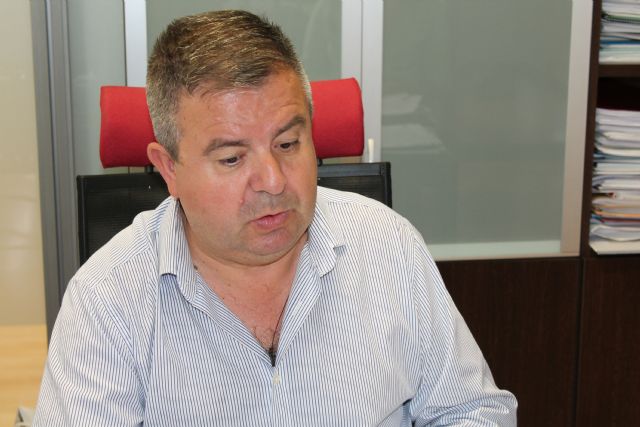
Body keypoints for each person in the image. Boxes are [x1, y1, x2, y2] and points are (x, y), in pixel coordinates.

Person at [34, 10, 517, 426]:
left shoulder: (387, 246)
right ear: (169, 170)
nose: (272, 180)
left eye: (287, 144)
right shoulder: (107, 302)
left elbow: (474, 409)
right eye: (232, 158)